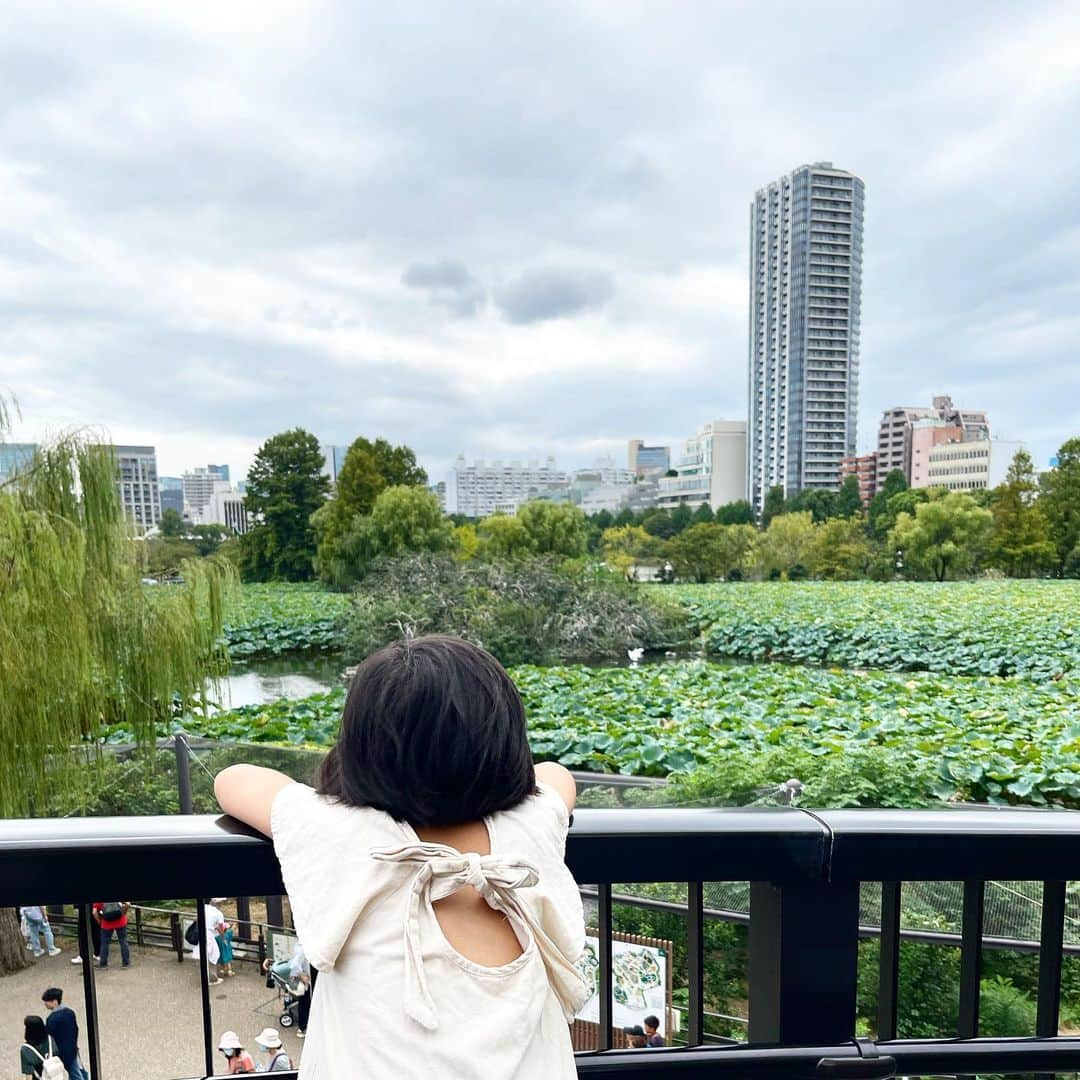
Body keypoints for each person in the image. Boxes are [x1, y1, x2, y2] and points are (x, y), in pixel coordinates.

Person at [215, 635, 589, 1080]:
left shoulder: (346, 833)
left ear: (362, 750)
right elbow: (555, 776)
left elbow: (233, 780)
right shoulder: (529, 827)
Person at [41, 988, 89, 1080]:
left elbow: (49, 1036)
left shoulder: (52, 1019)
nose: (45, 1004)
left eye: (47, 1001)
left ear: (54, 1001)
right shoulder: (69, 1012)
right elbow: (75, 1029)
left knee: (75, 1073)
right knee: (79, 1069)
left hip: (63, 1051)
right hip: (73, 1047)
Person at [91, 902, 130, 968]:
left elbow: (94, 912)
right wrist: (124, 913)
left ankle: (103, 964)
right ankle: (126, 963)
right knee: (123, 942)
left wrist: (99, 921)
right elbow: (128, 904)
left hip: (106, 924)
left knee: (104, 944)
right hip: (120, 921)